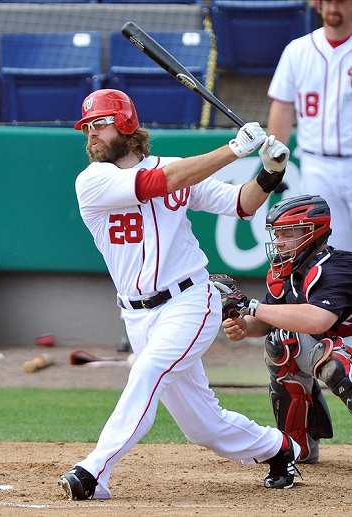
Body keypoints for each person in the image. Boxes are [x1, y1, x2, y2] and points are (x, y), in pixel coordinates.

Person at [59, 88, 301, 500]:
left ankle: (93, 471)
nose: (91, 135)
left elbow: (241, 204)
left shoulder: (177, 169)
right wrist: (233, 149)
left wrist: (269, 173)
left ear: (126, 125)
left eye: (99, 124)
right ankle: (279, 448)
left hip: (190, 300)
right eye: (88, 128)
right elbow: (159, 182)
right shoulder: (93, 180)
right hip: (136, 314)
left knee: (147, 371)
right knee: (202, 426)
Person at [221, 194, 352, 464]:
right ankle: (297, 444)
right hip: (339, 344)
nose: (278, 241)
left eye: (287, 233)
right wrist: (245, 324)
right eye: (277, 234)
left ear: (311, 232)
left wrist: (251, 305)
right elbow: (270, 321)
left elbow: (318, 320)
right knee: (281, 343)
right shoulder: (287, 273)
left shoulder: (336, 266)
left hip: (345, 347)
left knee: (335, 360)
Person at [267, 0, 352, 251]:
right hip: (317, 166)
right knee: (331, 253)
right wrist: (275, 163)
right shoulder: (298, 50)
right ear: (317, 4)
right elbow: (282, 106)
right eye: (327, 1)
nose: (333, 7)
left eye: (341, 1)